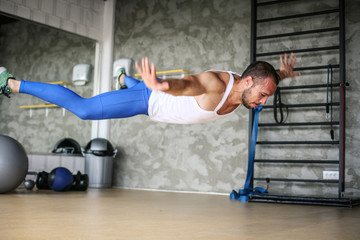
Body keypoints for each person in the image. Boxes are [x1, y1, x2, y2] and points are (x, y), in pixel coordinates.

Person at [0, 53, 300, 124]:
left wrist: (281, 75)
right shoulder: (215, 84)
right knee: (85, 110)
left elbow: (263, 80)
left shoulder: (250, 83)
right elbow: (189, 84)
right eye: (263, 95)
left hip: (154, 101)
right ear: (247, 82)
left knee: (138, 88)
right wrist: (164, 85)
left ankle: (123, 79)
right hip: (149, 98)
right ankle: (11, 82)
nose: (262, 102)